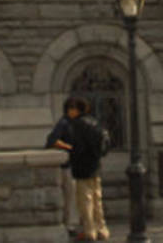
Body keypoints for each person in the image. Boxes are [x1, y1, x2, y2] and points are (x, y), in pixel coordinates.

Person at [61, 98, 110, 241]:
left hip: (82, 167)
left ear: (76, 109)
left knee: (85, 201)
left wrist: (73, 157)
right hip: (95, 165)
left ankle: (89, 232)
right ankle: (102, 229)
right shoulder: (95, 122)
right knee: (97, 199)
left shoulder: (76, 125)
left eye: (71, 108)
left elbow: (75, 146)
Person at [45, 98, 79, 236]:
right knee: (69, 196)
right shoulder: (63, 123)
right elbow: (52, 141)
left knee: (72, 196)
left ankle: (71, 224)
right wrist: (69, 148)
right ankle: (69, 225)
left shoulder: (71, 123)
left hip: (72, 166)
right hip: (65, 167)